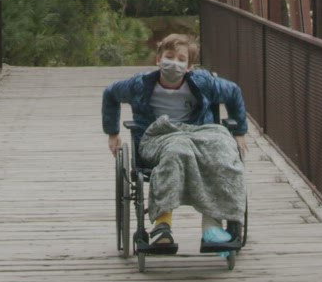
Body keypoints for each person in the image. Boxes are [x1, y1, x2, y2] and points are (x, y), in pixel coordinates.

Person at [101, 34, 247, 254]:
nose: (174, 63)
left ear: (189, 67)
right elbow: (111, 94)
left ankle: (213, 227)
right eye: (169, 57)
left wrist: (240, 132)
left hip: (199, 133)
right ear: (158, 59)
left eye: (181, 59)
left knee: (223, 150)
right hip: (158, 136)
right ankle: (162, 226)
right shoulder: (140, 84)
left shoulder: (203, 83)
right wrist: (112, 133)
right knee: (177, 149)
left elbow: (233, 92)